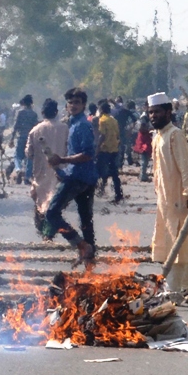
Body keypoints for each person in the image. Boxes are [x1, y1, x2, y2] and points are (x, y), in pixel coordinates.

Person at [146, 92, 188, 298]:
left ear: (168, 112)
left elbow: (185, 166)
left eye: (157, 112)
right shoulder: (158, 136)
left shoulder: (175, 135)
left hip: (179, 198)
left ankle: (174, 293)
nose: (153, 116)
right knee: (171, 239)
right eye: (151, 112)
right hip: (165, 199)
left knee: (176, 245)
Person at [44, 87, 98, 266]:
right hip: (81, 176)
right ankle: (90, 263)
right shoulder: (73, 124)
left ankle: (82, 245)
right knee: (85, 220)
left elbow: (88, 154)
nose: (73, 105)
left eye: (77, 102)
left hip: (79, 177)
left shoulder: (82, 124)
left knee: (52, 213)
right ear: (66, 105)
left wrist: (63, 160)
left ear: (83, 105)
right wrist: (61, 169)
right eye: (71, 102)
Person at [26, 98, 68, 238]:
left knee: (41, 199)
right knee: (54, 199)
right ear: (56, 112)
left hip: (41, 171)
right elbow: (69, 149)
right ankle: (48, 231)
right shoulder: (65, 128)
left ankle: (44, 229)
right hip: (61, 170)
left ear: (42, 112)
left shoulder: (35, 130)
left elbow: (29, 153)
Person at [96, 101, 123, 203]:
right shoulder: (114, 120)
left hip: (105, 149)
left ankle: (101, 190)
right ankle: (118, 194)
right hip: (114, 149)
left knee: (101, 171)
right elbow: (117, 135)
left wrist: (97, 148)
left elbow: (102, 135)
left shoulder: (102, 120)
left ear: (101, 110)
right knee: (114, 173)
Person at [10, 95, 37, 184]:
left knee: (17, 156)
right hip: (31, 138)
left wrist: (11, 138)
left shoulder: (20, 112)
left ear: (23, 103)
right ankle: (27, 177)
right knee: (29, 157)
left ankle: (18, 169)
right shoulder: (34, 114)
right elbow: (35, 127)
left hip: (21, 136)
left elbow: (15, 125)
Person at [114, 100, 137, 167]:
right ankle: (124, 161)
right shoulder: (125, 112)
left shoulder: (117, 111)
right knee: (125, 146)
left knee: (122, 146)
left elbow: (134, 120)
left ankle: (122, 162)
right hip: (123, 130)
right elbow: (135, 120)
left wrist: (130, 129)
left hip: (121, 130)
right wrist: (130, 129)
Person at [133, 108, 153, 182]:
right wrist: (149, 130)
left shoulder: (147, 118)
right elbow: (141, 128)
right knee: (144, 159)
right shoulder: (143, 119)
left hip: (147, 139)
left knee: (145, 159)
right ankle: (142, 175)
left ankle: (143, 174)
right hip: (144, 140)